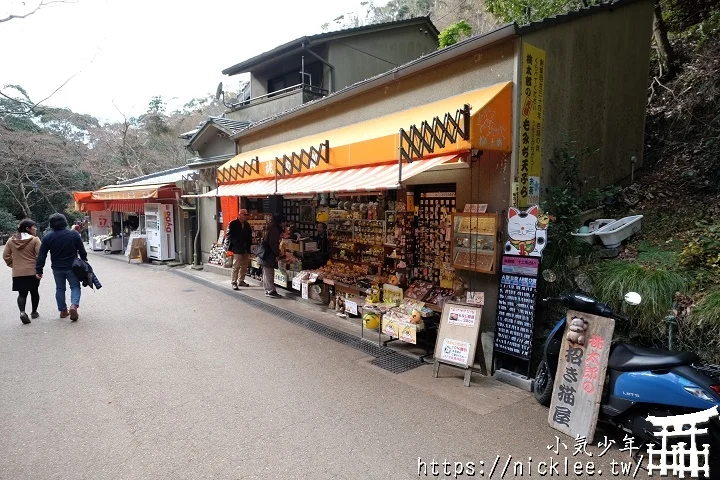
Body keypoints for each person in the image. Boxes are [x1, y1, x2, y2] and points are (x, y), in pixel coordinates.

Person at [36, 213, 88, 321]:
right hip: (72, 267)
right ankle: (74, 305)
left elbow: (42, 254)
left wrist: (39, 269)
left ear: (51, 224)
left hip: (57, 268)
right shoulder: (73, 234)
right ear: (64, 222)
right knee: (74, 286)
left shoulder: (47, 237)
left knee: (60, 289)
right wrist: (84, 259)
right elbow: (82, 250)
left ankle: (63, 310)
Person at [3, 219, 42, 324]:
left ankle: (22, 312)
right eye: (34, 227)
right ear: (28, 228)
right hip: (32, 271)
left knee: (22, 294)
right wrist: (38, 268)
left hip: (18, 272)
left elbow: (6, 256)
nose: (36, 229)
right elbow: (40, 255)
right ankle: (34, 312)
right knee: (34, 292)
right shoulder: (35, 240)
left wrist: (14, 265)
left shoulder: (11, 241)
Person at [258, 214, 284, 299]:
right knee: (269, 273)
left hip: (264, 254)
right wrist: (277, 253)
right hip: (268, 255)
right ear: (281, 222)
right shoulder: (274, 230)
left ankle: (267, 290)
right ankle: (271, 291)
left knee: (266, 273)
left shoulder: (270, 227)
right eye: (284, 222)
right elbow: (273, 244)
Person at [226, 209, 253, 290]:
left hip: (245, 248)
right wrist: (235, 242)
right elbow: (229, 235)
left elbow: (249, 236)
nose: (246, 216)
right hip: (237, 248)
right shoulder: (233, 223)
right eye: (245, 215)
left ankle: (241, 280)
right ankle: (234, 281)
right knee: (236, 265)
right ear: (240, 215)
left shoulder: (247, 225)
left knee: (244, 265)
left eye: (247, 215)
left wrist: (249, 246)